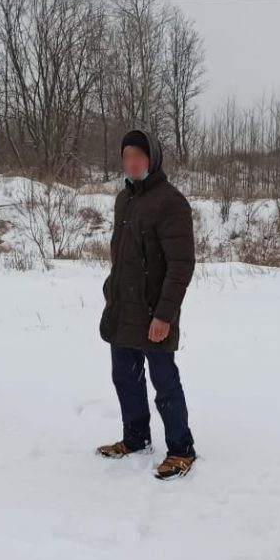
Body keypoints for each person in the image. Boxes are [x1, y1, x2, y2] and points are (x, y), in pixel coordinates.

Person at [97, 130, 198, 481]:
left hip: (155, 311)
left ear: (152, 159)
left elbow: (181, 265)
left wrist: (164, 315)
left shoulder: (171, 202)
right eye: (126, 157)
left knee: (164, 381)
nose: (132, 163)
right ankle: (135, 438)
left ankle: (181, 449)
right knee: (124, 377)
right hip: (124, 308)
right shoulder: (124, 200)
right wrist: (112, 292)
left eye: (138, 156)